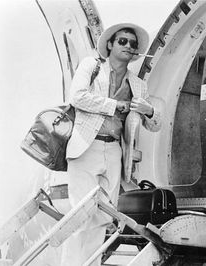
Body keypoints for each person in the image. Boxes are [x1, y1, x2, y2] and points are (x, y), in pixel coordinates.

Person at [61, 23, 162, 266]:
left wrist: (149, 111)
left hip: (114, 151)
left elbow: (155, 125)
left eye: (133, 44)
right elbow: (77, 97)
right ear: (110, 44)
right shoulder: (91, 66)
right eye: (123, 41)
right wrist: (114, 105)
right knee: (80, 216)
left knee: (102, 218)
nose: (129, 46)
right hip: (87, 146)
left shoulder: (138, 84)